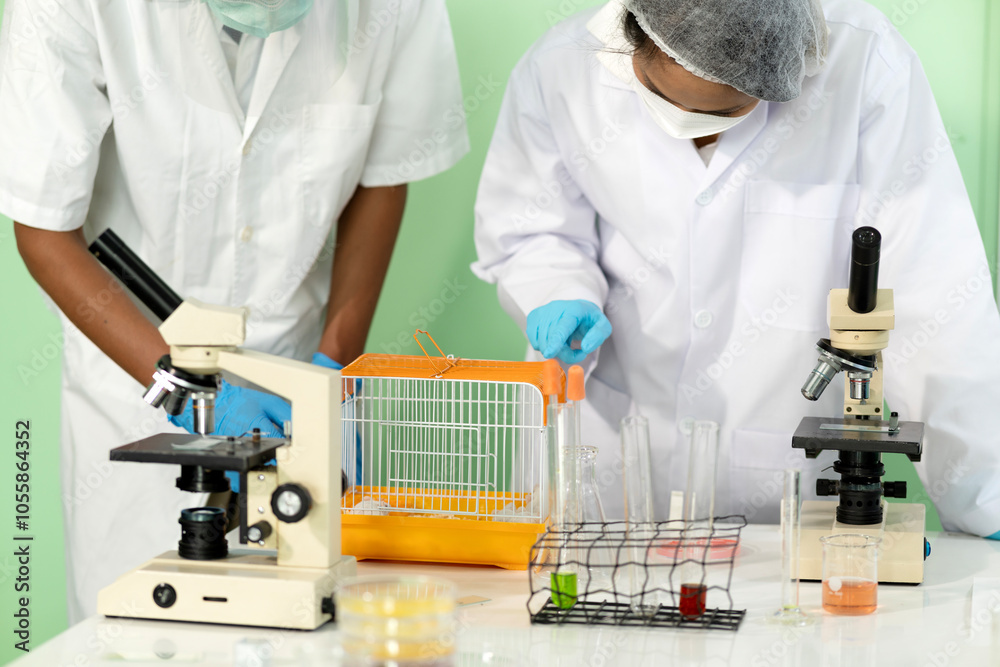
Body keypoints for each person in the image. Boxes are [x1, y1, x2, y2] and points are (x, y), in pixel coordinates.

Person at [0, 0, 469, 623]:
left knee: (303, 627)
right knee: (136, 634)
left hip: (294, 366)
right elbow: (45, 233)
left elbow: (382, 176)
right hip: (131, 367)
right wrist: (194, 397)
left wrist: (332, 368)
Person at [473, 0, 1000, 538]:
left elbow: (934, 291)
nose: (690, 125)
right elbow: (533, 229)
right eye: (663, 97)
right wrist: (558, 290)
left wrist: (987, 496)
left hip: (775, 498)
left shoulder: (865, 63)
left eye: (727, 110)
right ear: (635, 34)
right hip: (608, 471)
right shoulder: (560, 68)